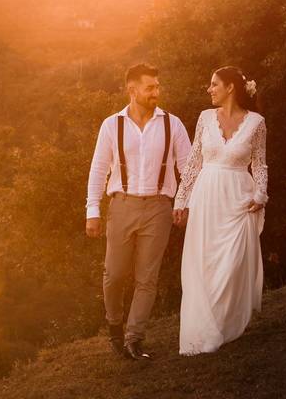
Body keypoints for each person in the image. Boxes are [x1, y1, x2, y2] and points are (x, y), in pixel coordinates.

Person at [85, 63, 192, 360]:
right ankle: (115, 325)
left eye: (157, 87)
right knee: (114, 274)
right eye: (150, 88)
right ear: (132, 90)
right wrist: (92, 209)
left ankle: (134, 338)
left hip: (159, 207)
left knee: (147, 278)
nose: (156, 92)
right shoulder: (111, 125)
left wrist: (183, 202)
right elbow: (98, 169)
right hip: (122, 206)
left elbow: (189, 169)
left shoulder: (173, 124)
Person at [173, 65, 267, 355]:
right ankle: (204, 328)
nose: (209, 89)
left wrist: (261, 194)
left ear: (230, 88)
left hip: (239, 198)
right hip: (206, 196)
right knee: (205, 261)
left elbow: (260, 163)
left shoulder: (256, 123)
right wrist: (181, 200)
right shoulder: (204, 118)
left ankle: (225, 324)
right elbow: (192, 163)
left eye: (214, 84)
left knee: (232, 262)